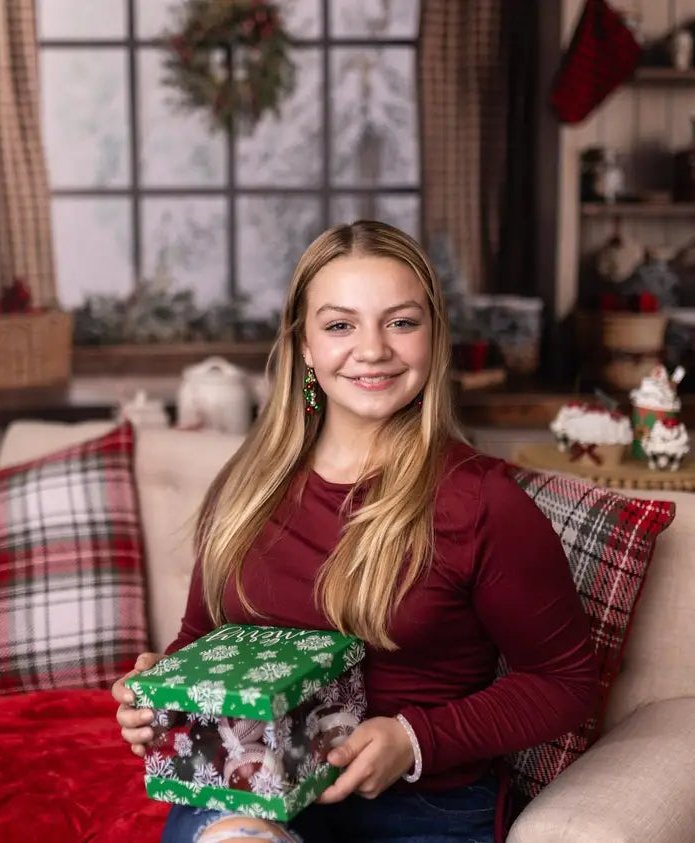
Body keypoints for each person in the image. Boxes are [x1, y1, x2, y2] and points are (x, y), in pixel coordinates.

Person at [113, 220, 600, 843]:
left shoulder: (483, 501)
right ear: (304, 347)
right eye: (340, 325)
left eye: (401, 322)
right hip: (249, 792)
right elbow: (204, 638)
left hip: (421, 808)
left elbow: (565, 682)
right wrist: (163, 693)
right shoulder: (245, 486)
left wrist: (415, 739)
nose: (372, 349)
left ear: (434, 338)